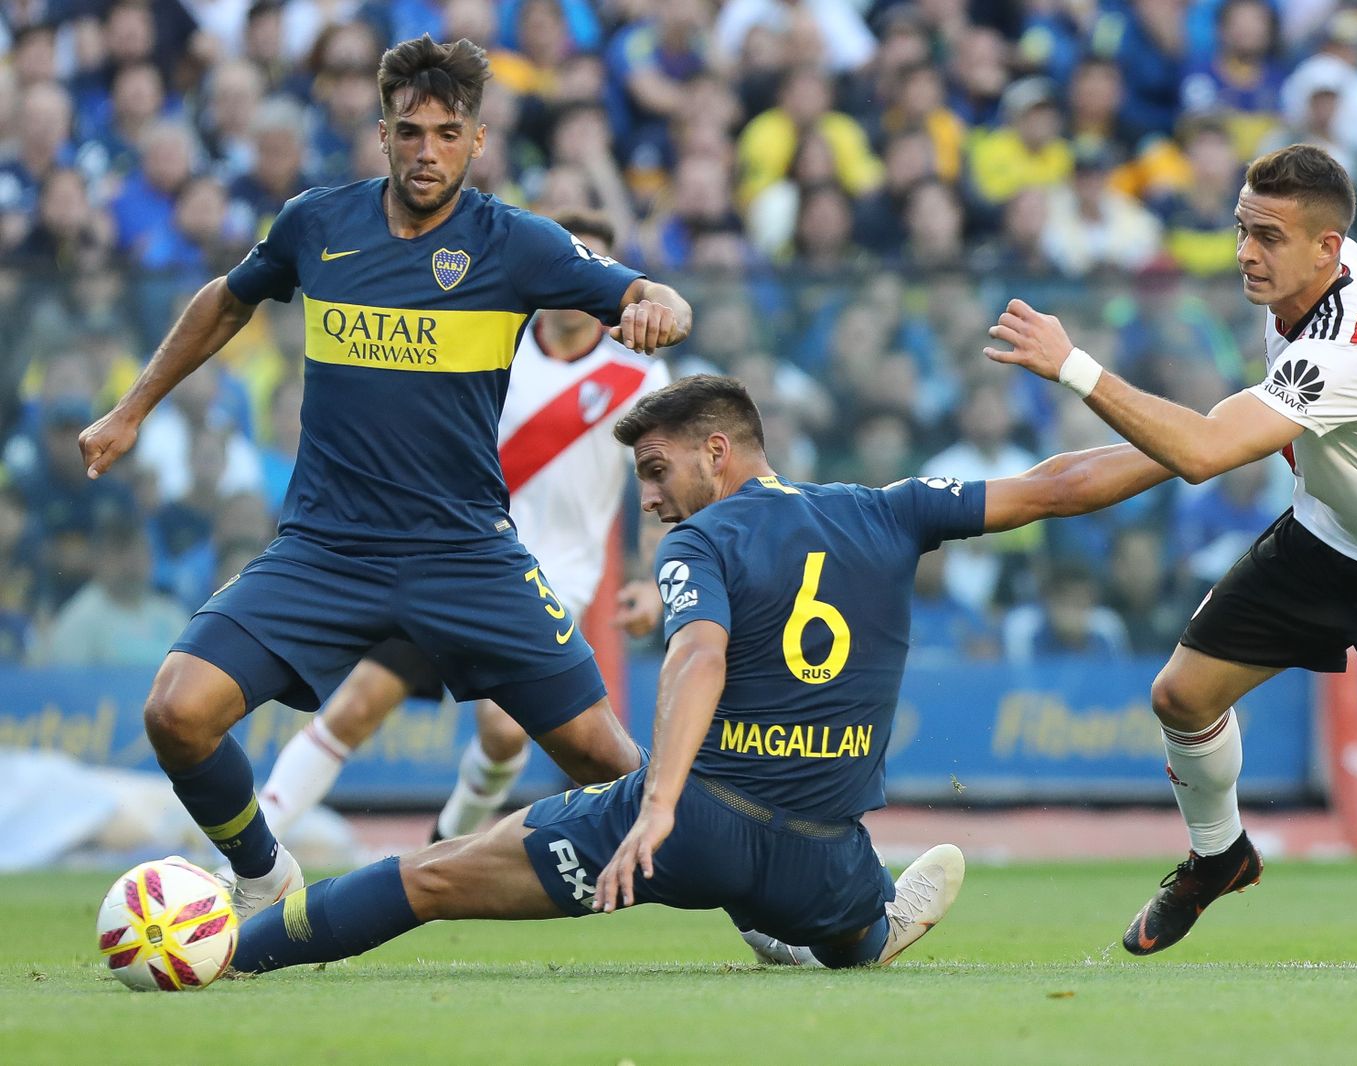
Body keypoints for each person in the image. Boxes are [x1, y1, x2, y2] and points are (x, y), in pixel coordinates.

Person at [227, 374, 1175, 975]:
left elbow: (699, 654)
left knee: (429, 878)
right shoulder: (888, 511)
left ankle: (231, 955)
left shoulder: (702, 540)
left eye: (655, 471)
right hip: (825, 849)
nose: (647, 499)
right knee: (846, 937)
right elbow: (1059, 485)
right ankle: (863, 924)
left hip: (699, 829)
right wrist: (1200, 445)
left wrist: (660, 803)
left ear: (717, 452)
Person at [76, 36, 692, 924]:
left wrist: (660, 309)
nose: (428, 151)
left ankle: (772, 912)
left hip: (465, 554)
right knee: (177, 711)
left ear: (477, 141)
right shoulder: (319, 224)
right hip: (326, 551)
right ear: (382, 135)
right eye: (411, 132)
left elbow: (650, 292)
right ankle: (262, 873)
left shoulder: (516, 244)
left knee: (613, 762)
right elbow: (228, 297)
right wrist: (131, 408)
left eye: (448, 133)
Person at [985, 143, 1357, 966]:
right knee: (1180, 696)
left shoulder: (1347, 349)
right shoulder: (1335, 254)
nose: (1247, 252)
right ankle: (1221, 856)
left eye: (1268, 237)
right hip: (1325, 534)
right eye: (1243, 229)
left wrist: (1070, 364)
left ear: (1322, 249)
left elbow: (1208, 453)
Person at [255, 209, 669, 851]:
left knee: (504, 733)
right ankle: (247, 862)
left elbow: (658, 490)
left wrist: (646, 579)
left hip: (550, 576)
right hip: (445, 549)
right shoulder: (493, 336)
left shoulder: (638, 378)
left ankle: (447, 842)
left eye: (595, 271)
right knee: (360, 701)